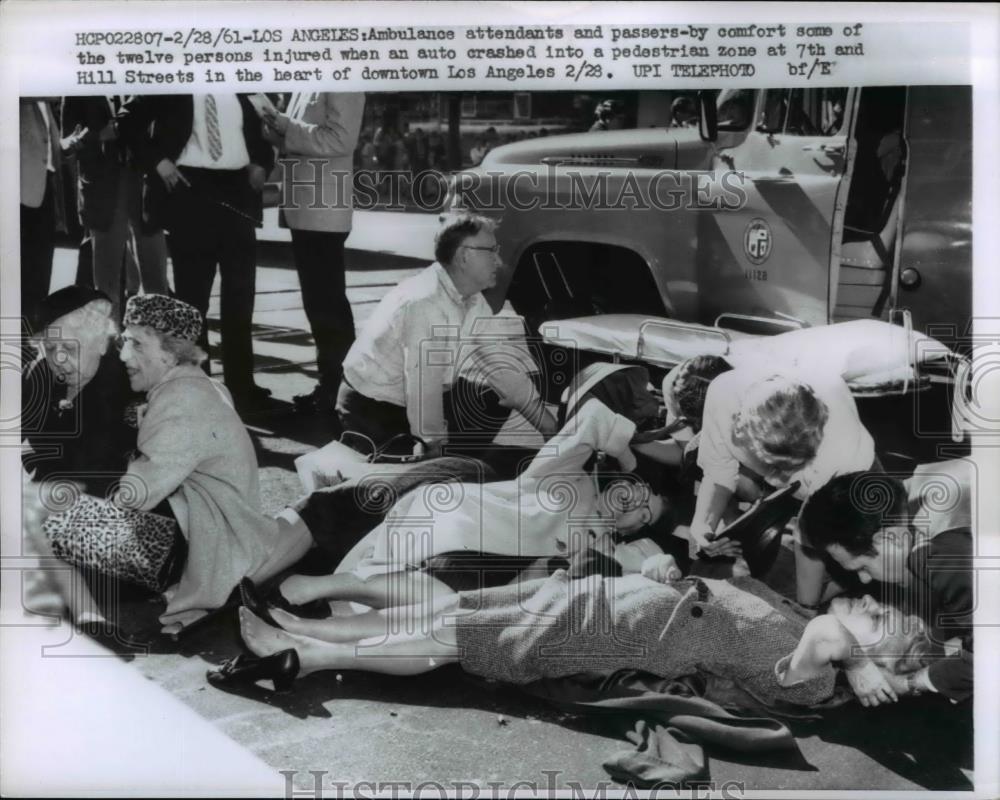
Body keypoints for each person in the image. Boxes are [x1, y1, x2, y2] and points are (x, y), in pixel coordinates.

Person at [216, 569, 935, 714]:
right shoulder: (821, 627)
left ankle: (302, 655)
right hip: (620, 600)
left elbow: (823, 635)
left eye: (879, 620)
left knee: (446, 637)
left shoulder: (816, 675)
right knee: (453, 612)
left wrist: (868, 658)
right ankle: (298, 627)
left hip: (609, 630)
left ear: (874, 658)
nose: (867, 607)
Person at [268, 395, 668, 613]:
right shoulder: (570, 475)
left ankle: (325, 588)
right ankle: (325, 585)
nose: (636, 501)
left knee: (463, 599)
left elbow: (653, 567)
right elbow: (595, 414)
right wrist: (631, 462)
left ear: (632, 528)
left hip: (482, 568)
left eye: (644, 513)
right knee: (464, 581)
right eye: (643, 490)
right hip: (458, 523)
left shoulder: (606, 550)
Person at [110, 294, 312, 632]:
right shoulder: (201, 385)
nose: (124, 355)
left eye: (137, 345)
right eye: (124, 341)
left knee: (54, 530)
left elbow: (134, 499)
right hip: (212, 526)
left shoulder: (181, 401)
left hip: (202, 547)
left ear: (171, 351)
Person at [336, 213, 558, 456]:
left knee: (491, 395)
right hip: (372, 407)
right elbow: (422, 387)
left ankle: (451, 462)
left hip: (412, 397)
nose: (499, 261)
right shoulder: (425, 302)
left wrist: (548, 427)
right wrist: (433, 443)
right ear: (465, 256)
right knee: (414, 481)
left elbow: (500, 369)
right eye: (492, 251)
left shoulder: (472, 297)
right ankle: (439, 463)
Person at [115, 94, 276, 414]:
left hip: (237, 190)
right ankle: (198, 384)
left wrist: (262, 163)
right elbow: (126, 120)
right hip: (190, 189)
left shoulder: (241, 81)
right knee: (193, 299)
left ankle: (241, 387)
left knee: (240, 294)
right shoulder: (171, 78)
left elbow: (260, 133)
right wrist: (158, 161)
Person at [798, 462, 973, 705]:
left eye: (863, 567)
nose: (865, 581)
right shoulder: (916, 486)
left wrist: (909, 683)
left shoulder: (937, 554)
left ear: (884, 540)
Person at [688, 368, 875, 579]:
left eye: (796, 464)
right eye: (775, 466)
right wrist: (703, 524)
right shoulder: (723, 393)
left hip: (846, 488)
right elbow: (719, 470)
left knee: (864, 563)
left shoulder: (845, 447)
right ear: (740, 429)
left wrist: (807, 606)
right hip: (784, 498)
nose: (780, 477)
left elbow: (813, 534)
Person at [260, 92, 366, 416]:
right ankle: (330, 386)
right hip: (306, 207)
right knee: (318, 304)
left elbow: (340, 140)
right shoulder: (311, 78)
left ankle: (343, 392)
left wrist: (283, 123)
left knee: (328, 305)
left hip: (323, 210)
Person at [22, 286, 139, 497]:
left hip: (104, 509)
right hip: (45, 500)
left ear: (102, 343)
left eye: (69, 348)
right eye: (50, 349)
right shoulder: (39, 374)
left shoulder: (129, 388)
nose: (58, 360)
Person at [61, 95, 170, 322]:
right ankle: (110, 351)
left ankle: (158, 346)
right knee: (107, 283)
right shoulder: (78, 84)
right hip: (104, 188)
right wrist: (97, 135)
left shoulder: (142, 73)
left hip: (144, 180)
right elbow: (67, 142)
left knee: (156, 276)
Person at [20, 98, 71, 320]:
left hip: (44, 190)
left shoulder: (44, 104)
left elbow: (47, 148)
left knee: (41, 267)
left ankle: (30, 330)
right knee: (22, 268)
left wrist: (70, 144)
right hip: (19, 191)